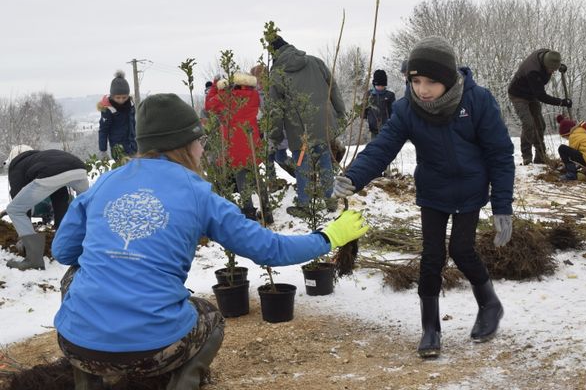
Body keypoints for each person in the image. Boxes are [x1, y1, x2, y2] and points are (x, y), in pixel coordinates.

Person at [52, 93, 369, 390]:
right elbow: (270, 250)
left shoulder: (106, 181)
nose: (203, 149)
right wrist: (330, 236)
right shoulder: (198, 194)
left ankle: (90, 381)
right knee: (211, 317)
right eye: (199, 141)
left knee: (75, 277)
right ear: (183, 145)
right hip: (153, 349)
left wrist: (114, 258)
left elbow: (63, 250)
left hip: (76, 345)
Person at [332, 37, 515, 358]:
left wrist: (502, 206)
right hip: (433, 191)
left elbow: (500, 154)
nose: (423, 89)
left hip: (471, 189)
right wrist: (354, 177)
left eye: (431, 81)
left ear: (448, 79)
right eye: (415, 81)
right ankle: (430, 328)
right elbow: (382, 148)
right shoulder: (406, 110)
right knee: (431, 256)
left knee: (461, 249)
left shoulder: (477, 101)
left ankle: (490, 304)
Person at [268, 36, 346, 217]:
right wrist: (340, 113)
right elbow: (332, 87)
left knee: (302, 164)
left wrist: (275, 136)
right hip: (324, 122)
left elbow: (276, 110)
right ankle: (330, 199)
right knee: (325, 160)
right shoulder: (315, 62)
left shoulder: (277, 75)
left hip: (299, 129)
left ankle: (304, 204)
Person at [1, 147, 89, 270]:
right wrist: (59, 228)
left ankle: (34, 259)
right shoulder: (42, 158)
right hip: (80, 169)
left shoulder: (17, 165)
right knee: (88, 208)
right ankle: (91, 246)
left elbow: (19, 201)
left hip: (52, 173)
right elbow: (60, 198)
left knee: (15, 209)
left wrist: (24, 235)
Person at [205, 72, 272, 223]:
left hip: (234, 144)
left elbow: (209, 105)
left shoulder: (225, 98)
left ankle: (249, 212)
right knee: (255, 174)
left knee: (241, 176)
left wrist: (216, 86)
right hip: (251, 141)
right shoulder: (253, 95)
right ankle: (267, 209)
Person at [508, 49, 571, 165]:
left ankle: (540, 157)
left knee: (540, 125)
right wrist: (561, 102)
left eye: (554, 69)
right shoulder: (533, 71)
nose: (552, 72)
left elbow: (553, 62)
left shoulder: (547, 55)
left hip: (531, 94)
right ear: (544, 65)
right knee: (529, 124)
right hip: (518, 95)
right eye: (551, 69)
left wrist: (560, 67)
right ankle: (527, 157)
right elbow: (541, 96)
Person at [97, 70, 138, 159]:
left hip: (133, 145)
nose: (121, 100)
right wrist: (103, 150)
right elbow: (103, 130)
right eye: (118, 97)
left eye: (124, 97)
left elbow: (133, 124)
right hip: (118, 149)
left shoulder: (130, 105)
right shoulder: (108, 109)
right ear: (112, 96)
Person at [556, 115, 586, 180]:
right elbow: (579, 155)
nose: (567, 139)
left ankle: (571, 174)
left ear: (567, 134)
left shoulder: (573, 136)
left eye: (565, 137)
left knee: (562, 149)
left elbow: (572, 158)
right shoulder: (582, 132)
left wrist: (566, 165)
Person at [364, 69, 396, 140]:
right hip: (374, 129)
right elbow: (364, 112)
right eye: (378, 85)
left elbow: (394, 112)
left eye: (382, 85)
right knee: (375, 148)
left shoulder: (390, 95)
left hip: (387, 130)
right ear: (374, 84)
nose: (380, 87)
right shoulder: (368, 95)